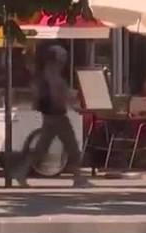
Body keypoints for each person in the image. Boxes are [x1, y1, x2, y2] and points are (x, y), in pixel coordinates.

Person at [12, 45, 89, 188]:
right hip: (57, 115)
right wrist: (71, 105)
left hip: (51, 115)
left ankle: (21, 172)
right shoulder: (52, 73)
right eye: (62, 57)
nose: (64, 61)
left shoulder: (47, 73)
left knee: (42, 147)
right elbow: (57, 94)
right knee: (71, 145)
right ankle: (78, 178)